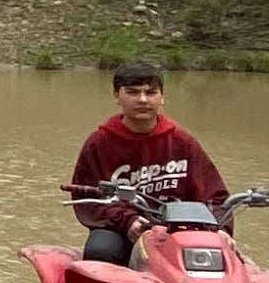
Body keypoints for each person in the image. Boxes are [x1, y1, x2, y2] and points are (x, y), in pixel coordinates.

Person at [67, 59, 228, 262]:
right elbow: (87, 200)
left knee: (224, 259)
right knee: (101, 251)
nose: (143, 99)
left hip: (179, 228)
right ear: (117, 95)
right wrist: (128, 221)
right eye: (133, 92)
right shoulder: (99, 143)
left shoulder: (182, 142)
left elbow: (215, 196)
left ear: (162, 98)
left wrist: (221, 230)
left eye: (151, 93)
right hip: (122, 229)